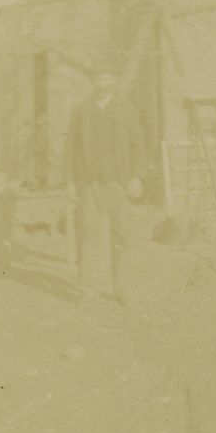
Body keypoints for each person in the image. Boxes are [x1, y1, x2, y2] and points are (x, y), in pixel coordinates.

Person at [65, 59, 146, 302]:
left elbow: (138, 145)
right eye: (98, 78)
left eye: (108, 78)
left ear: (114, 82)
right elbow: (71, 149)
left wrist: (137, 177)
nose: (103, 82)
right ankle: (88, 289)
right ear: (93, 82)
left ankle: (122, 288)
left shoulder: (126, 109)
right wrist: (70, 182)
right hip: (90, 185)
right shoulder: (81, 111)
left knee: (123, 236)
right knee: (88, 235)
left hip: (118, 184)